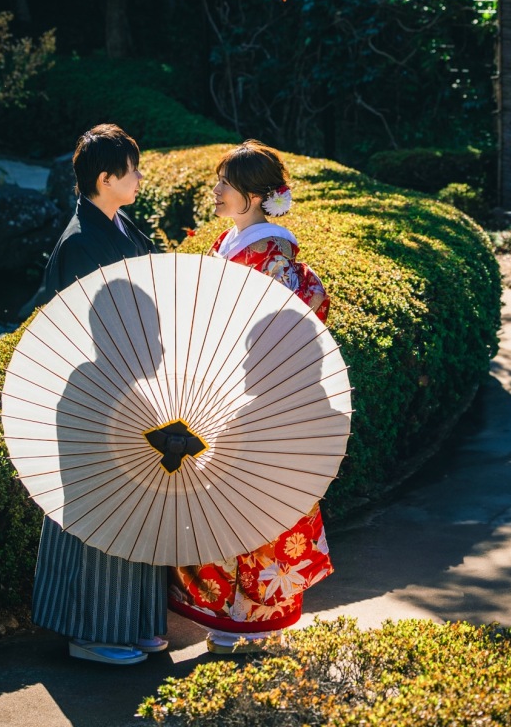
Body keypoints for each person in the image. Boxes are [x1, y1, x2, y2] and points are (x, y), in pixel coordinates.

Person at [168, 139, 332, 655]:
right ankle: (226, 615)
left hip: (255, 403)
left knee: (251, 511)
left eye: (226, 185)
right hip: (214, 396)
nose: (216, 191)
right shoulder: (231, 244)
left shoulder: (273, 256)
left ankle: (248, 621)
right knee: (219, 508)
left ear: (256, 197)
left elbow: (279, 336)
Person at [31, 123, 168, 666]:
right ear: (106, 178)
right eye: (131, 170)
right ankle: (90, 632)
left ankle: (133, 622)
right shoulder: (82, 241)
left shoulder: (118, 225)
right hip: (97, 390)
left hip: (130, 382)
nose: (139, 177)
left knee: (136, 508)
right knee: (102, 510)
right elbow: (90, 327)